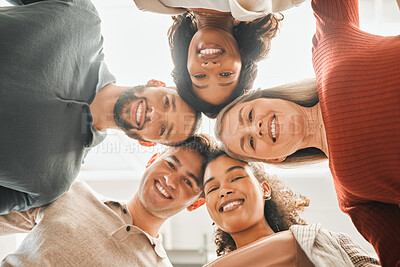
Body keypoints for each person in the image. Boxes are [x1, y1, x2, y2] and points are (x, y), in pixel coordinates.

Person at [216, 0, 400, 264]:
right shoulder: (351, 197)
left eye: (249, 115)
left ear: (266, 96)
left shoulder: (328, 49)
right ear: (274, 159)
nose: (255, 129)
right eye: (250, 143)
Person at [0, 0, 201, 215]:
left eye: (163, 129)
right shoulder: (81, 18)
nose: (155, 114)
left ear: (146, 142)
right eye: (166, 102)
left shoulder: (52, 182)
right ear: (156, 84)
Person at [0, 135, 212, 266]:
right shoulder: (72, 192)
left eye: (187, 182)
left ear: (195, 203)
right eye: (170, 164)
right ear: (152, 160)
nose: (170, 180)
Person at [202, 149, 380, 266]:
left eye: (235, 178)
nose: (224, 191)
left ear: (264, 189)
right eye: (212, 188)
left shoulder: (331, 241)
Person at [133, 0, 308, 117]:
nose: (211, 66)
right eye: (226, 75)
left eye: (200, 76)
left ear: (185, 65)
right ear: (243, 62)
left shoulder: (150, 2)